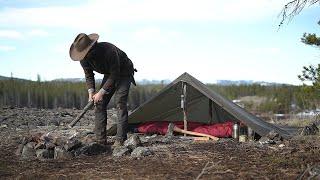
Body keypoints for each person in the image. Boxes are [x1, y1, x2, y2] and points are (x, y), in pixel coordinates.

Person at [69, 33, 136, 146]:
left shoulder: (109, 50)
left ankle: (120, 140)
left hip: (124, 72)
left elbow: (115, 74)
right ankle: (101, 141)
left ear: (92, 48)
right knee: (99, 103)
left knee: (120, 103)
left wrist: (101, 92)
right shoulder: (83, 59)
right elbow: (89, 75)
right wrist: (91, 92)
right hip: (110, 74)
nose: (84, 56)